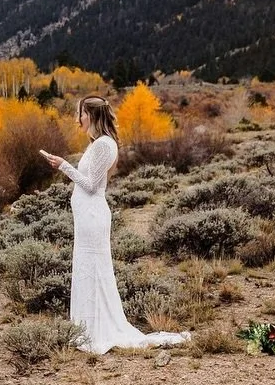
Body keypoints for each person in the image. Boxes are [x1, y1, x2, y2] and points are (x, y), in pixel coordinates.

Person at [41, 96, 190, 354]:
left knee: (94, 270)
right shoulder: (97, 144)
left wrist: (63, 165)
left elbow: (90, 185)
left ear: (92, 115)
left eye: (81, 114)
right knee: (86, 270)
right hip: (86, 217)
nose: (78, 119)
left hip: (93, 217)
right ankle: (84, 328)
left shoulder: (104, 145)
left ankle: (95, 331)